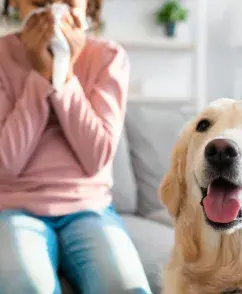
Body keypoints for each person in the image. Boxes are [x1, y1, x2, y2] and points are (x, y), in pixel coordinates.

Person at [0, 1, 152, 293]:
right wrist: (41, 77)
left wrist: (64, 74)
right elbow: (6, 164)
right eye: (40, 3)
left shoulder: (108, 58)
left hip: (89, 209)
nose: (54, 12)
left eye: (68, 3)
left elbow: (96, 157)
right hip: (14, 207)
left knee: (125, 287)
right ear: (15, 4)